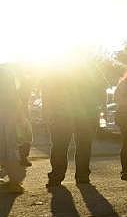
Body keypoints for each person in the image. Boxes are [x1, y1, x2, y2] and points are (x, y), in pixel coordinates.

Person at [41, 56, 106, 187]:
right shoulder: (91, 67)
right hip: (82, 114)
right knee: (81, 146)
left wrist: (47, 111)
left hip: (66, 114)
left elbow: (46, 91)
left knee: (61, 146)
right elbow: (101, 89)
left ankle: (57, 176)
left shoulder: (57, 67)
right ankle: (81, 176)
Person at [0, 65, 25, 193]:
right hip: (9, 123)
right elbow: (18, 107)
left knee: (7, 150)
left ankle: (14, 181)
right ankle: (15, 182)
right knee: (11, 150)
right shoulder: (13, 94)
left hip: (7, 121)